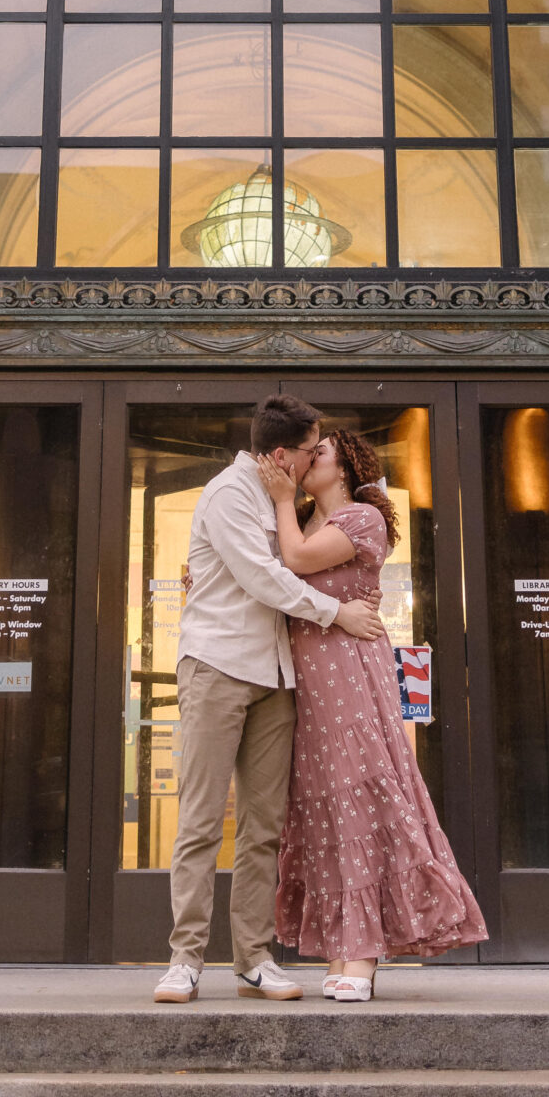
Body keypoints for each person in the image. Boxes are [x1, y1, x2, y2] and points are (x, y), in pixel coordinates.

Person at [153, 395, 387, 1004]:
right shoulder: (229, 493)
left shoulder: (299, 507)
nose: (315, 461)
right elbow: (265, 577)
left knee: (263, 829)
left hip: (279, 680)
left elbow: (314, 558)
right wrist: (337, 611)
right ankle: (185, 960)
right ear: (282, 453)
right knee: (202, 820)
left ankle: (253, 959)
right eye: (311, 450)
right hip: (218, 667)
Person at [258, 428, 487, 1000]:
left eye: (322, 453)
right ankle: (342, 944)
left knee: (359, 795)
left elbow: (296, 561)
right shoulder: (303, 517)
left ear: (345, 467)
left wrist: (283, 500)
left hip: (349, 670)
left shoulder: (362, 518)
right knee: (325, 807)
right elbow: (269, 576)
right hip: (302, 680)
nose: (311, 461)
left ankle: (362, 952)